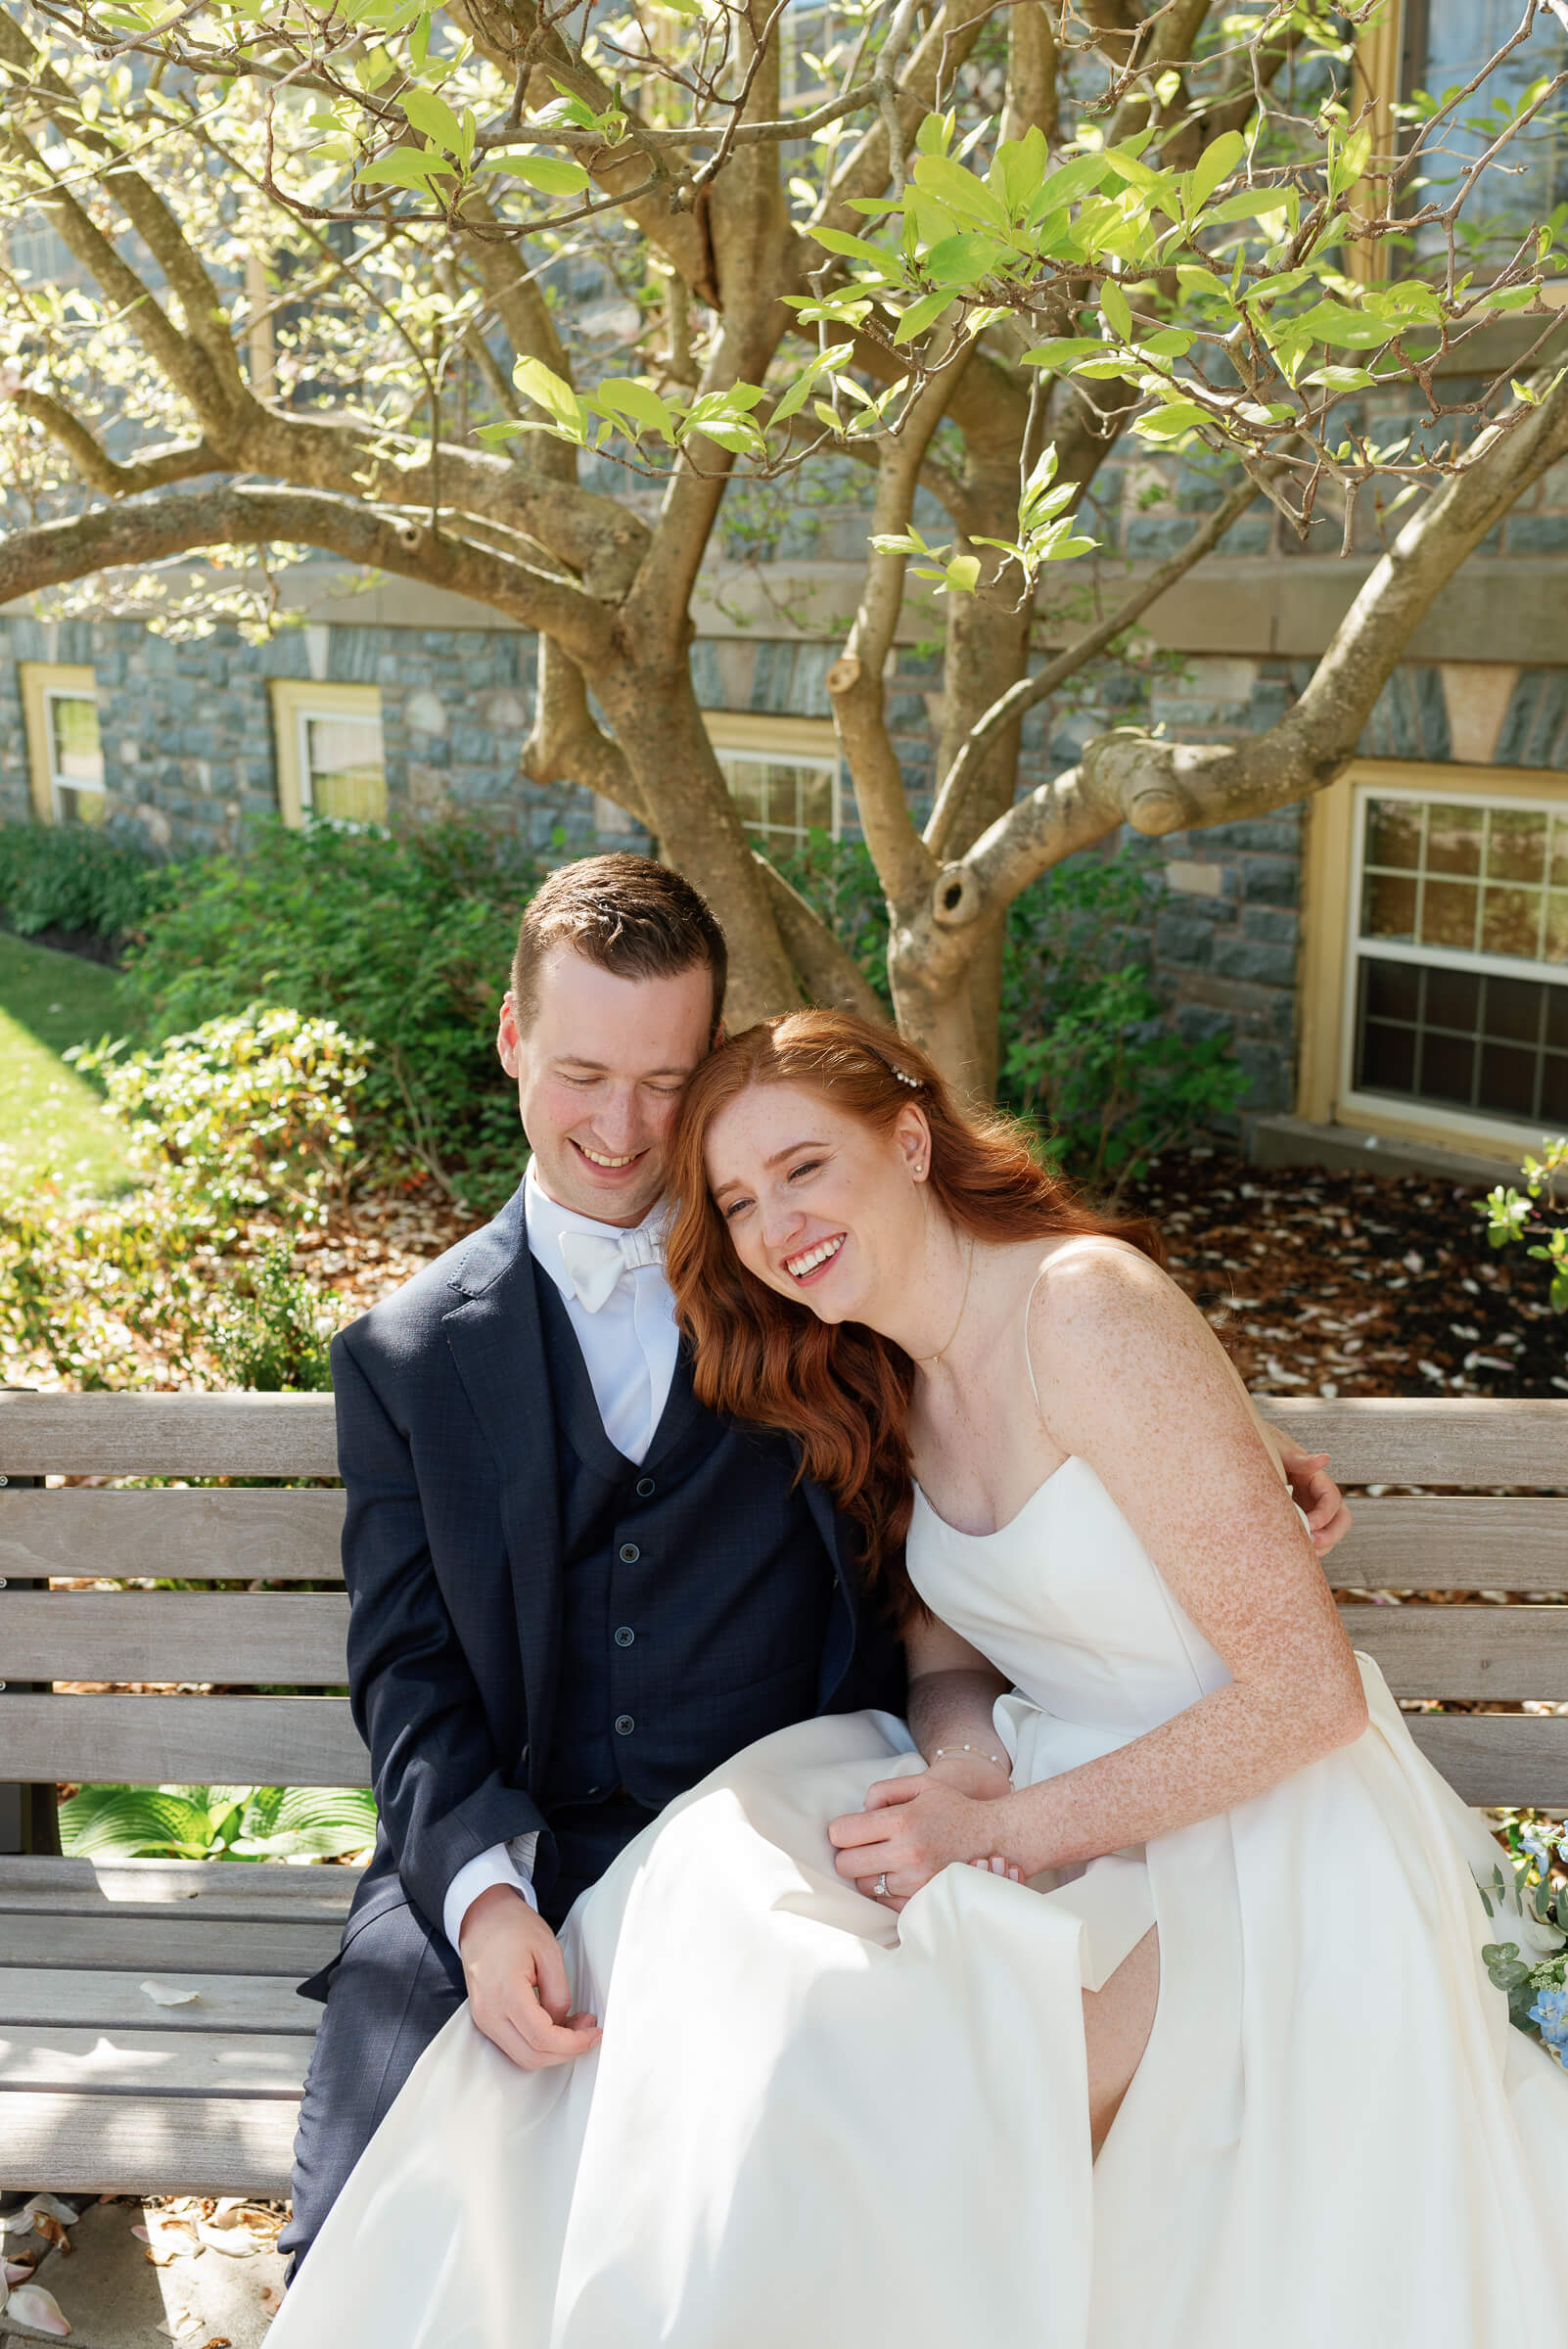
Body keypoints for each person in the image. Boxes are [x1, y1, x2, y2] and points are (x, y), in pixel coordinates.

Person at [268, 1002, 1394, 2349]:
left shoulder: (1082, 1306)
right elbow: (944, 1637)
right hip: (1036, 1794)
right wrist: (966, 1762)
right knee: (717, 1971)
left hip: (1254, 1838)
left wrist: (999, 1825)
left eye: (803, 1168)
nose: (775, 1221)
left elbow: (1306, 1699)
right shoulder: (877, 1364)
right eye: (737, 1199)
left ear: (911, 1139)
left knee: (883, 2095)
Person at [280, 858, 913, 2274]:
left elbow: (1013, 1306)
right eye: (580, 1074)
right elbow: (408, 1670)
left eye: (666, 1082)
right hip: (517, 1842)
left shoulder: (810, 1269)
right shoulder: (404, 1356)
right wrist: (485, 1900)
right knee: (370, 2237)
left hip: (770, 1850)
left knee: (749, 2226)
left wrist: (1227, 1433)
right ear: (512, 1043)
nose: (622, 1132)